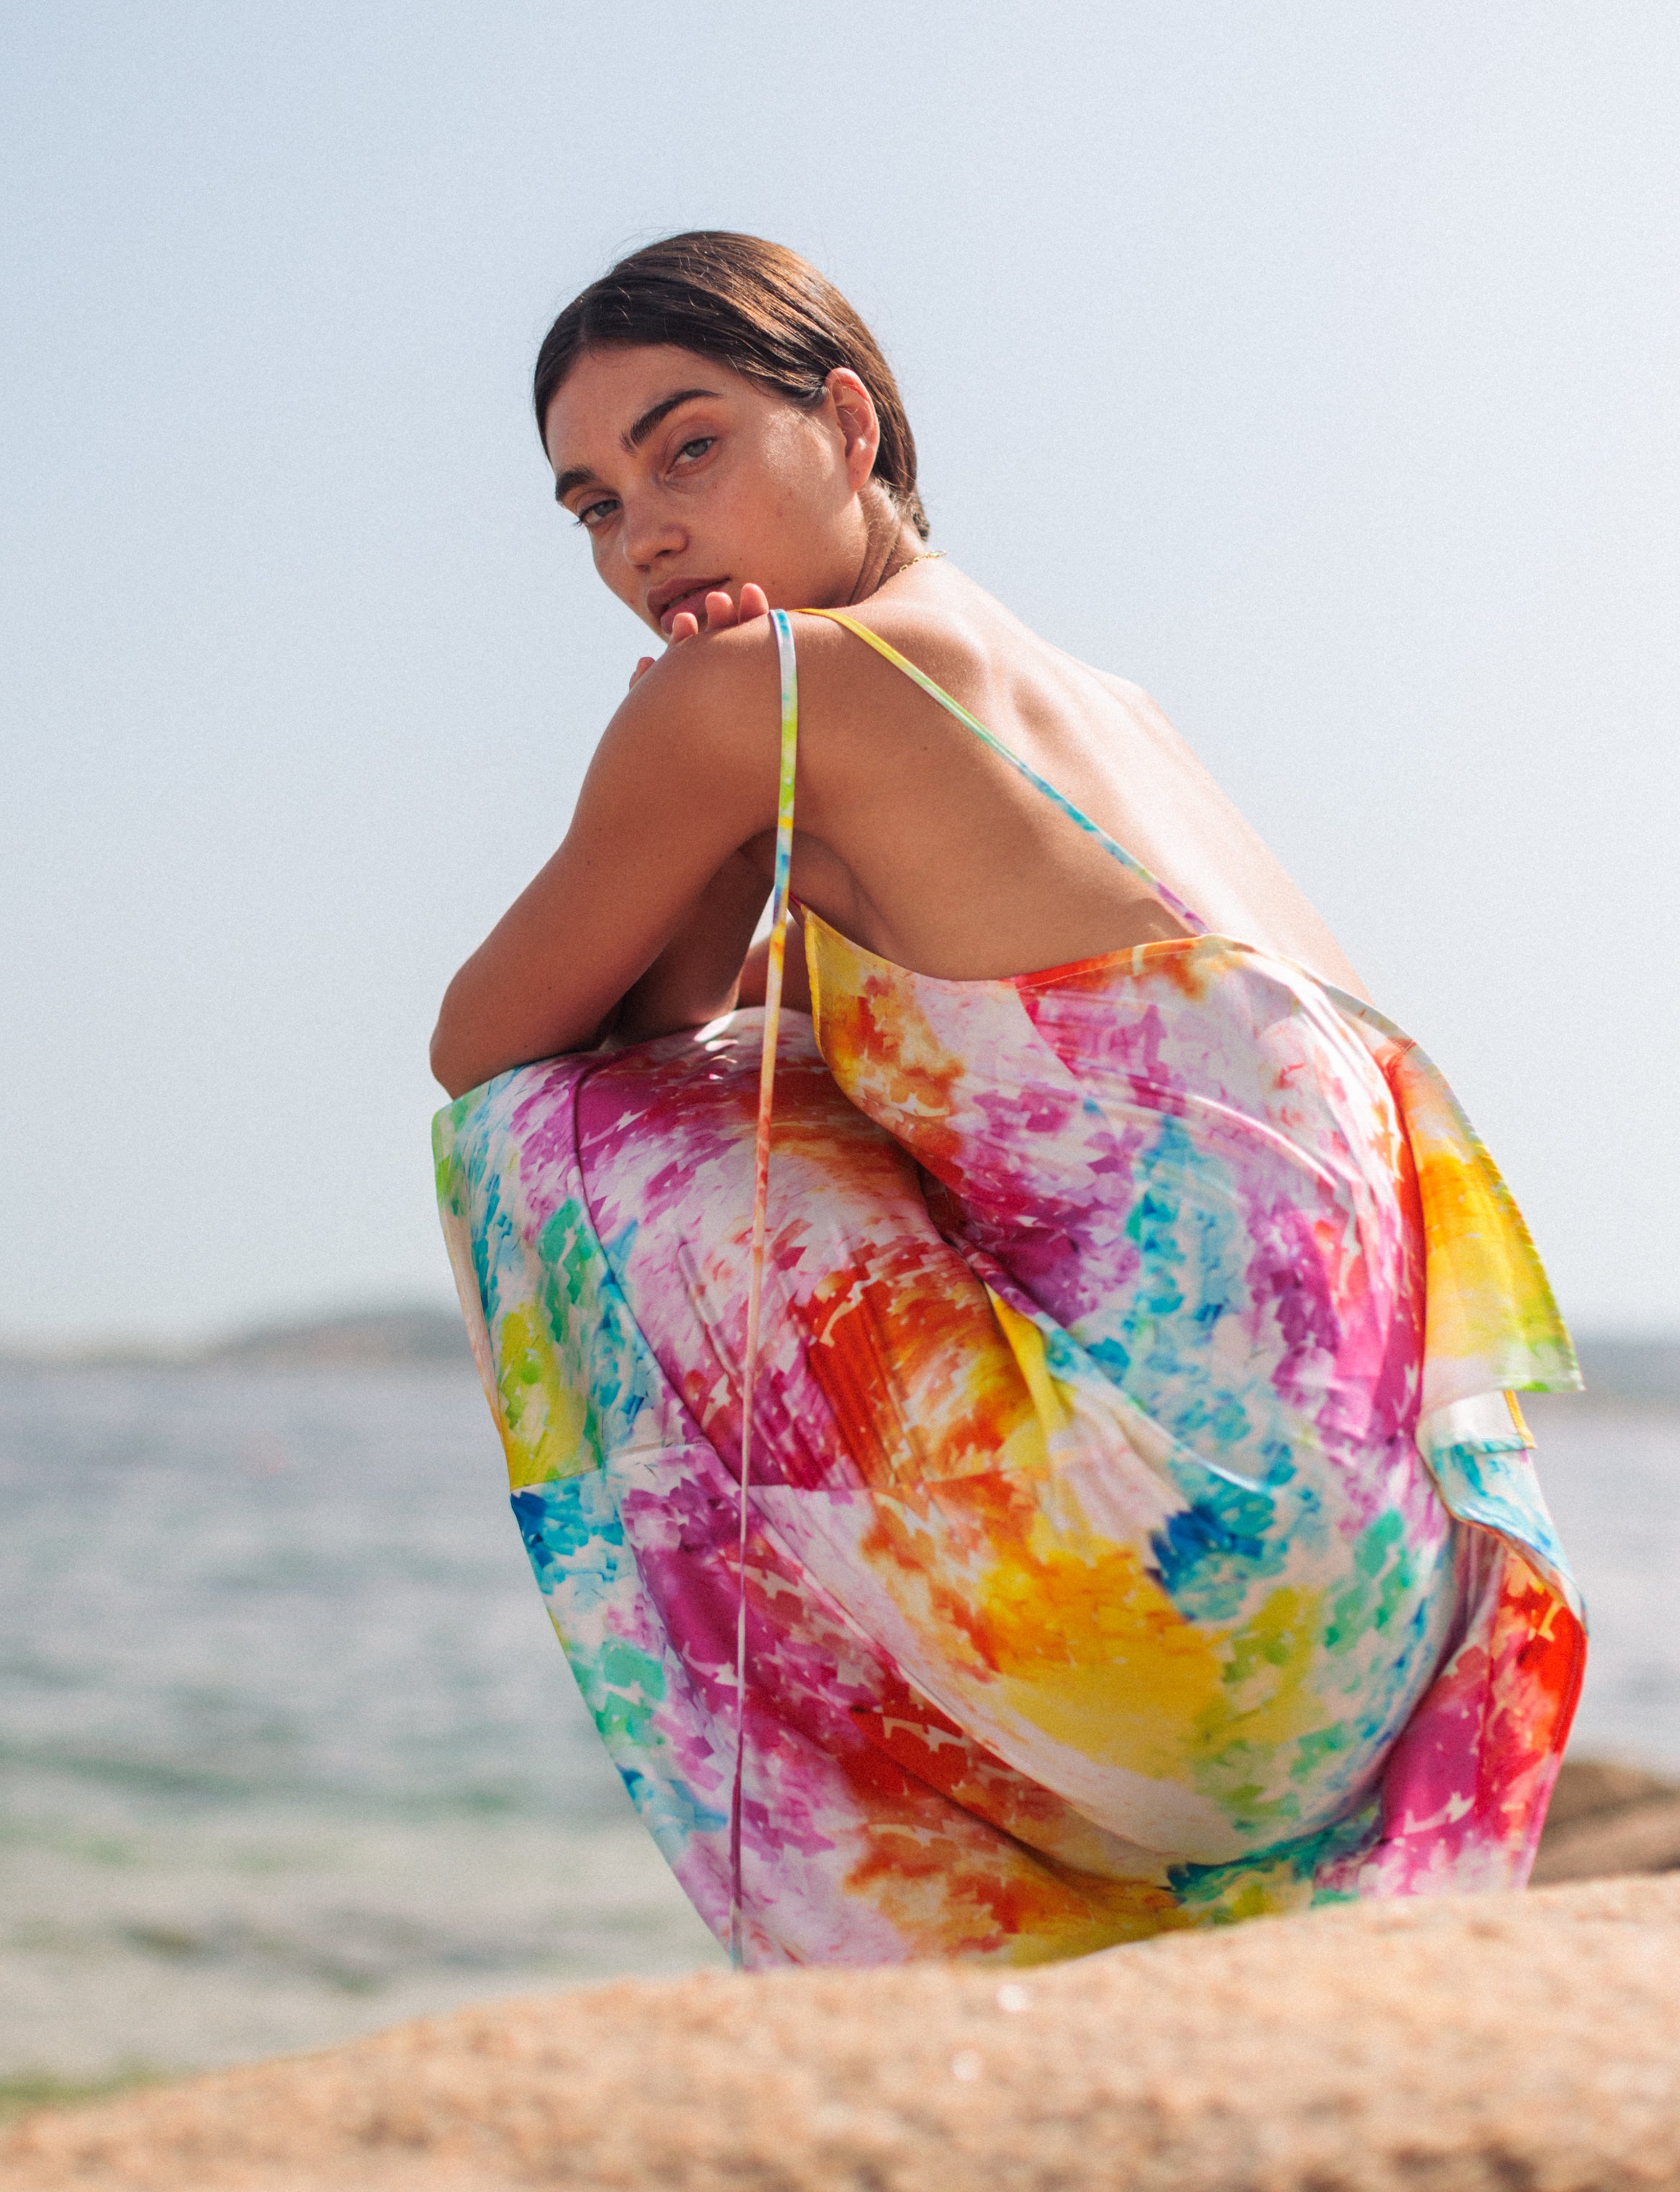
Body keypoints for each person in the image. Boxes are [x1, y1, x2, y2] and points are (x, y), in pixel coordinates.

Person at [431, 231, 1584, 1972]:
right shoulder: (1110, 709)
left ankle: (902, 1921)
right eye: (591, 505)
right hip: (1388, 1634)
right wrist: (738, 830)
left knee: (523, 1143)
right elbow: (709, 1023)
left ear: (848, 422)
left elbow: (496, 1047)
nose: (646, 534)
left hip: (1150, 1619)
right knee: (768, 1071)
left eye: (691, 448)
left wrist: (706, 771)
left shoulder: (758, 689)